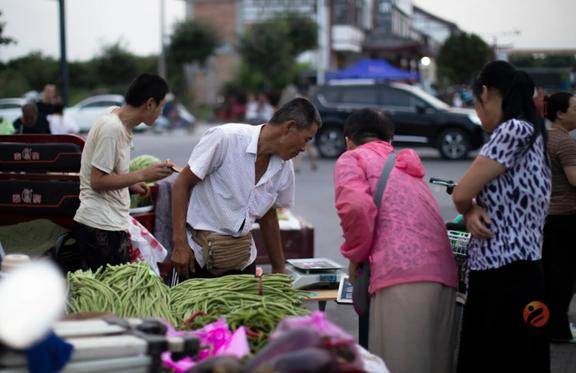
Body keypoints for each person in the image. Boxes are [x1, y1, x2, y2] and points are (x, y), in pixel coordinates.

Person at [334, 108, 457, 373]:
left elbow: (356, 208)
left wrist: (355, 256)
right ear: (390, 139)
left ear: (348, 139)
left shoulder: (352, 158)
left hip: (401, 276)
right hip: (444, 276)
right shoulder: (404, 163)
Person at [452, 61, 551, 372]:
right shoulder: (532, 131)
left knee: (493, 356)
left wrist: (468, 207)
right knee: (523, 355)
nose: (478, 115)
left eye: (475, 105)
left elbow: (460, 193)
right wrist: (472, 208)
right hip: (526, 268)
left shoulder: (511, 130)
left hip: (500, 272)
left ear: (485, 93)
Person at [171, 97, 321, 279]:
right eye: (306, 139)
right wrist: (179, 244)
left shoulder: (283, 166)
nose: (304, 148)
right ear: (289, 127)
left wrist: (279, 268)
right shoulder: (225, 138)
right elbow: (181, 184)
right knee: (193, 308)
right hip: (197, 257)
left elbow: (269, 216)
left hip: (242, 261)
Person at [73, 74, 174, 270]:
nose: (161, 113)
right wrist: (143, 174)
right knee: (110, 296)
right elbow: (97, 181)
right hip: (100, 226)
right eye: (161, 107)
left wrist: (131, 185)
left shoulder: (117, 120)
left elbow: (107, 174)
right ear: (150, 104)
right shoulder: (112, 129)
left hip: (109, 222)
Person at [542, 92, 576, 343]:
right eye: (575, 107)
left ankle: (550, 325)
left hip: (547, 216)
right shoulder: (565, 142)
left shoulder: (544, 137)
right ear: (561, 113)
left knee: (552, 275)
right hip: (566, 217)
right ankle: (558, 329)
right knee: (564, 278)